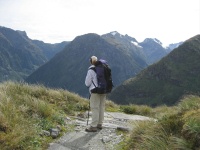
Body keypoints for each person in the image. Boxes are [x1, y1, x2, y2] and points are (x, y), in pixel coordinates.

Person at [85, 56, 107, 132]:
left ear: (91, 61)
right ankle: (99, 124)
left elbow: (87, 83)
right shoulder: (104, 68)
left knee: (95, 108)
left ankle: (93, 126)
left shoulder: (91, 70)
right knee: (101, 107)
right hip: (104, 90)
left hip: (95, 91)